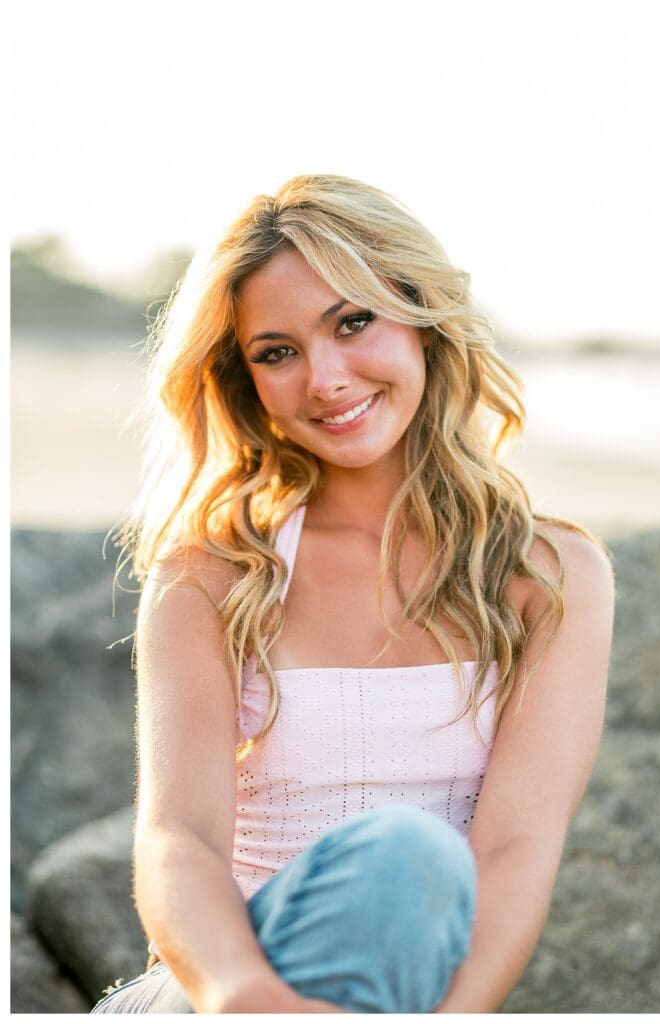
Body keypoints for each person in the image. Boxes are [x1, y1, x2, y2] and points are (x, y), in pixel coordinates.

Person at [91, 174, 615, 1014]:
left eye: (353, 322)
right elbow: (177, 839)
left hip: (405, 1001)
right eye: (277, 352)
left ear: (423, 316)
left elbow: (517, 850)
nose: (326, 379)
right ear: (245, 382)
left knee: (412, 864)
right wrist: (252, 998)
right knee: (407, 854)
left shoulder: (548, 575)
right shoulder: (212, 575)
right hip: (217, 992)